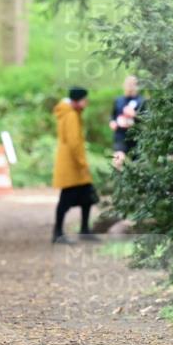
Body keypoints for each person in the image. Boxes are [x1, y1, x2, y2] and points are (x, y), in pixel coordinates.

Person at [52, 86, 97, 243]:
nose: (86, 102)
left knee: (88, 197)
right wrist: (82, 162)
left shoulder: (70, 113)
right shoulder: (70, 115)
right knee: (66, 200)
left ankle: (84, 229)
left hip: (72, 163)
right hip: (72, 165)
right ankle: (57, 233)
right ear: (77, 101)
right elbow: (74, 142)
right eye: (84, 99)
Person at [110, 75, 146, 170]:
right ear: (124, 85)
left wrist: (135, 115)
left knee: (138, 164)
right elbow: (113, 116)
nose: (130, 86)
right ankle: (117, 180)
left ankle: (136, 182)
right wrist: (112, 122)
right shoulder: (118, 100)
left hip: (136, 137)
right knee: (117, 159)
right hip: (120, 135)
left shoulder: (142, 101)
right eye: (128, 84)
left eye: (132, 84)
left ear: (137, 86)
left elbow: (147, 119)